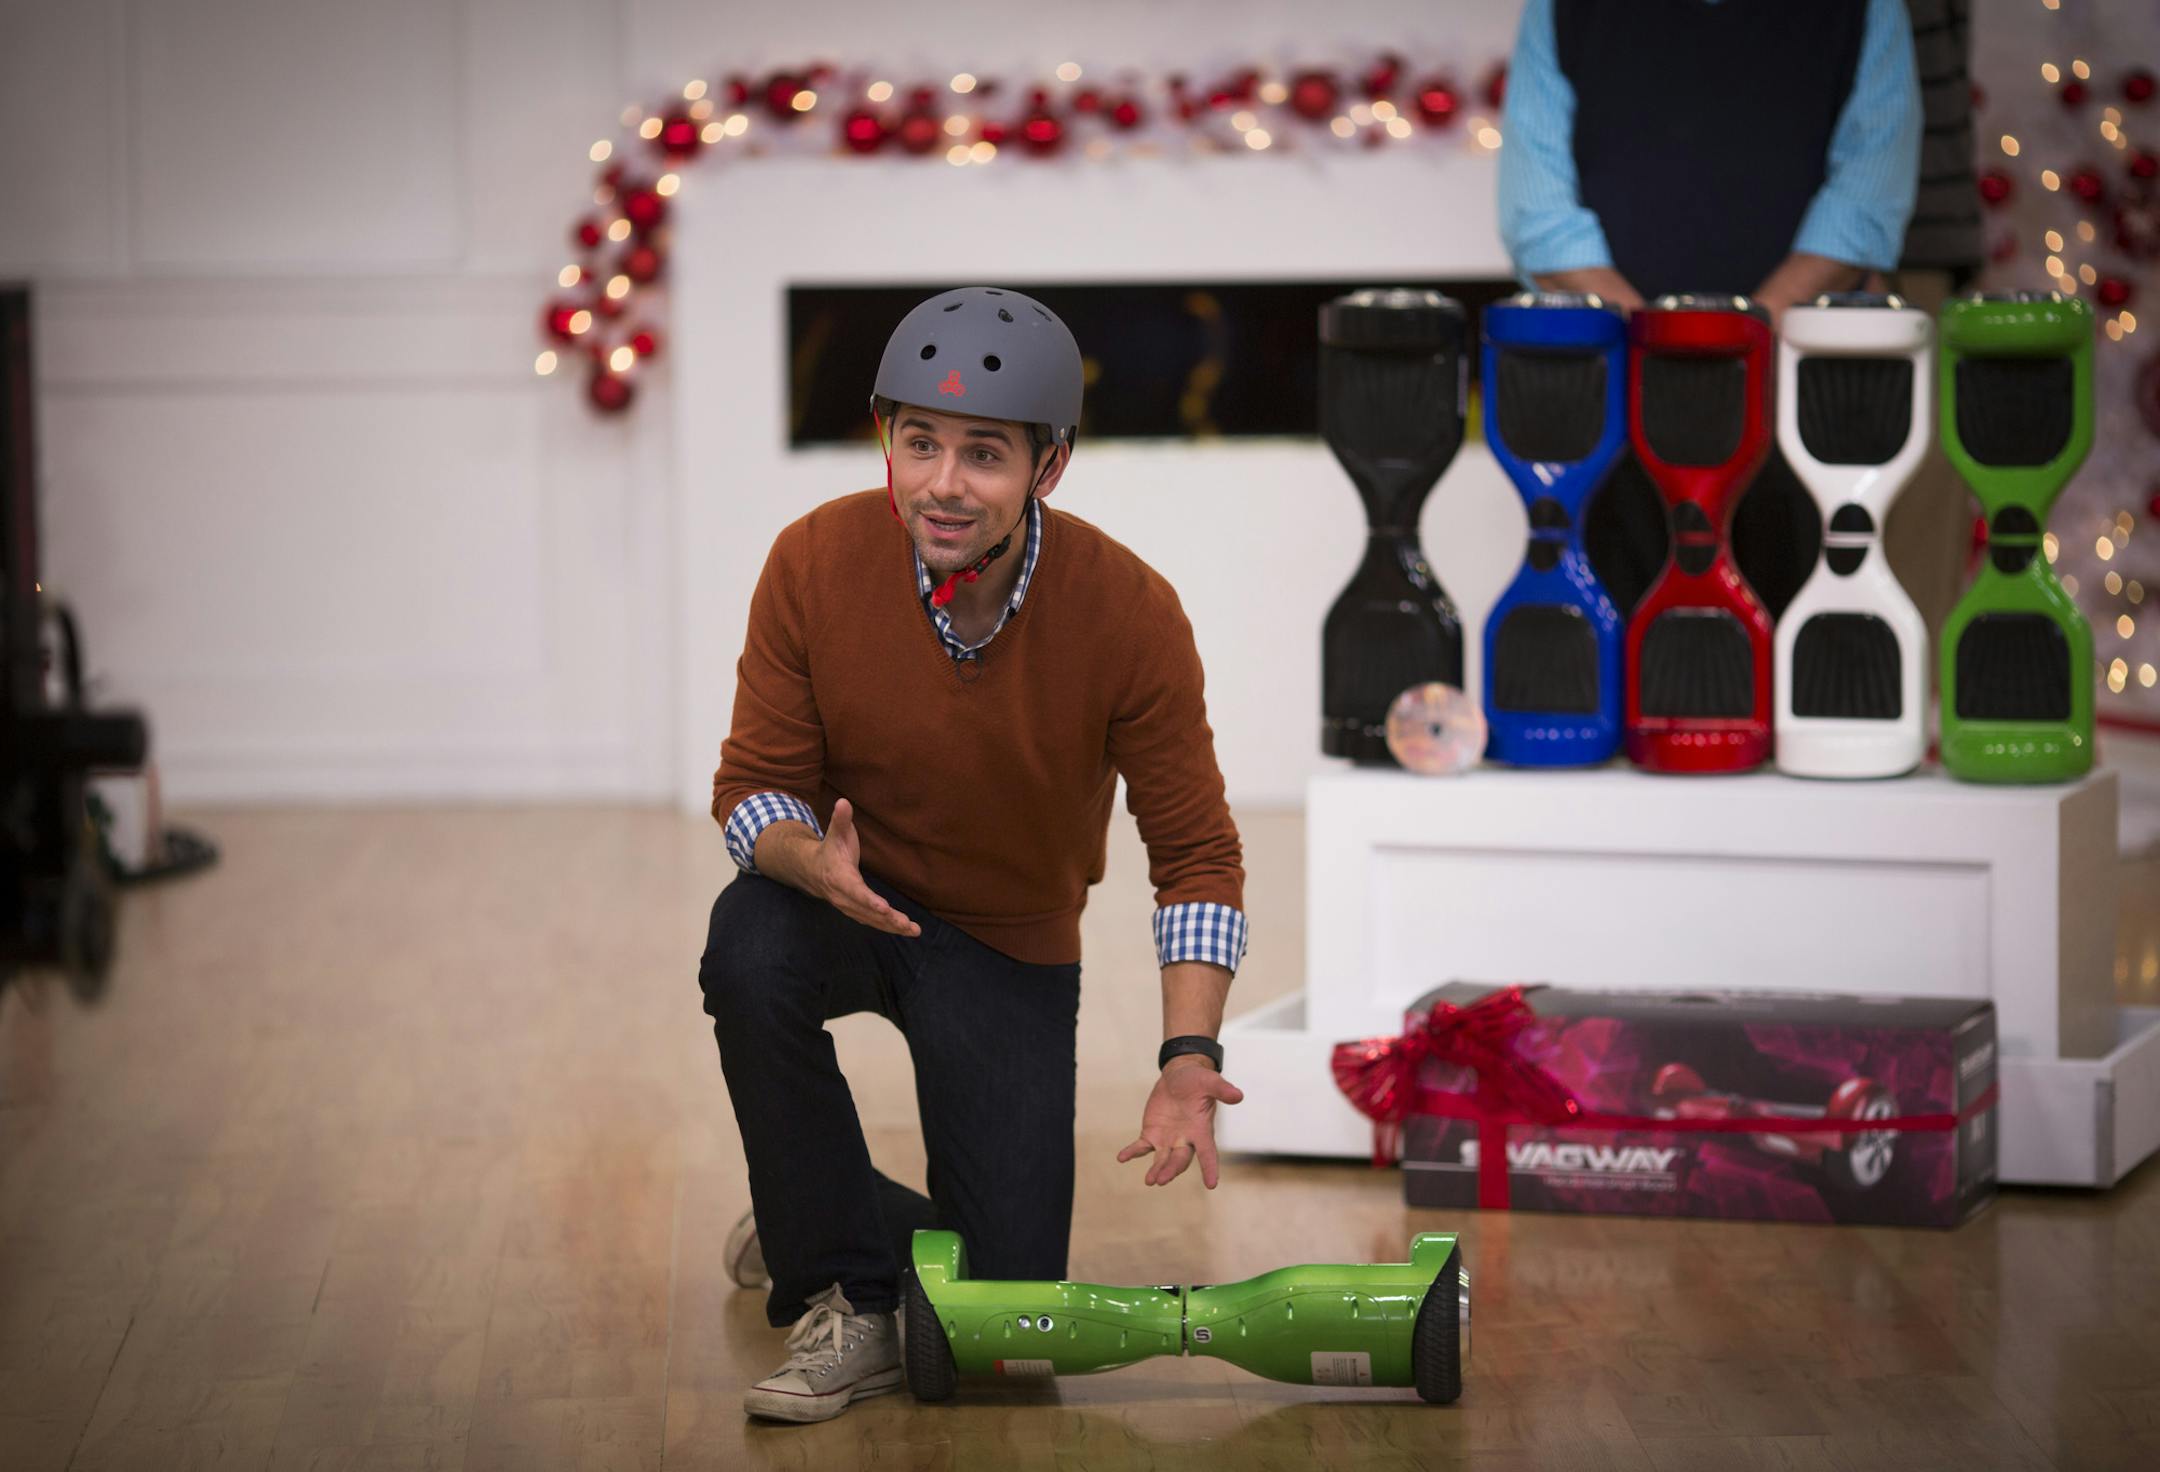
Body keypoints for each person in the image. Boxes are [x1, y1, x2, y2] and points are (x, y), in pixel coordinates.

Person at [697, 286, 1250, 1424]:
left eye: (984, 453)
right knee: (747, 941)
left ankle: (810, 1206)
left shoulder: (1131, 610)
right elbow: (753, 786)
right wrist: (812, 864)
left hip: (1007, 938)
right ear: (886, 443)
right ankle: (843, 1280)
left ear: (1048, 467)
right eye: (920, 442)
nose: (944, 482)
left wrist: (1188, 1049)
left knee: (1005, 1317)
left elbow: (1194, 850)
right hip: (842, 900)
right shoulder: (811, 560)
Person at [1496, 0, 1924, 622]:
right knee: (1616, 653)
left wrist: (1742, 339)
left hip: (1798, 402)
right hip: (1609, 402)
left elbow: (1866, 199)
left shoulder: (1866, 9)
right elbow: (1536, 214)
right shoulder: (1563, 9)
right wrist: (1665, 345)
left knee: (1793, 654)